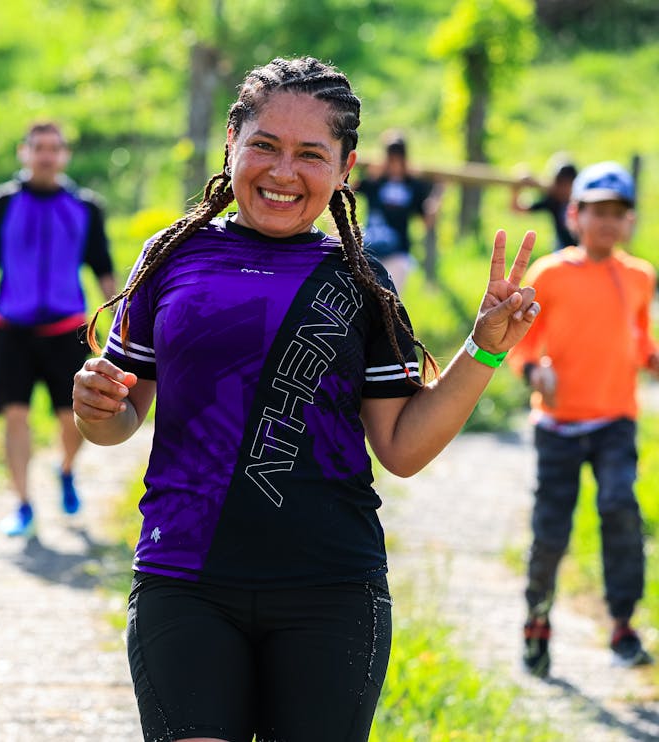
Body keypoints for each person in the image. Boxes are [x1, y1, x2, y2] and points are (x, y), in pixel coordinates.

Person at [72, 57, 539, 742]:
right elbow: (121, 416)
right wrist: (97, 409)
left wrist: (485, 346)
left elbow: (403, 448)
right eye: (264, 145)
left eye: (311, 154)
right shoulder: (171, 256)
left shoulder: (361, 279)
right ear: (231, 141)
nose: (283, 172)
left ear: (346, 168)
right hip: (186, 579)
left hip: (331, 589)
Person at [508, 160, 657, 678]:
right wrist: (532, 371)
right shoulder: (549, 273)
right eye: (598, 212)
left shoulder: (640, 276)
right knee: (552, 530)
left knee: (620, 508)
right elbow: (518, 340)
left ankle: (622, 624)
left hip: (615, 418)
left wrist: (652, 357)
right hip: (558, 425)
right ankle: (537, 620)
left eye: (619, 213)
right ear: (575, 214)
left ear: (630, 221)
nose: (608, 223)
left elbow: (639, 337)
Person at [0, 121, 116, 537]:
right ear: (23, 152)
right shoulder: (2, 203)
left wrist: (121, 331)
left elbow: (104, 272)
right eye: (38, 147)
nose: (46, 155)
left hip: (66, 331)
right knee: (15, 416)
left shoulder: (85, 207)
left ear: (65, 155)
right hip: (10, 330)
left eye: (55, 148)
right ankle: (24, 503)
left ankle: (65, 469)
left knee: (75, 419)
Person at [353, 131, 442, 293]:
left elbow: (427, 220)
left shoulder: (413, 186)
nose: (394, 163)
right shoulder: (375, 181)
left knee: (390, 300)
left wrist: (437, 195)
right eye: (390, 157)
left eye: (398, 158)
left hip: (398, 252)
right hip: (370, 249)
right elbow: (349, 190)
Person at [510, 155, 578, 251]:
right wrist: (515, 190)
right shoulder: (553, 201)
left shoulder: (583, 202)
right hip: (562, 253)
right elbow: (518, 209)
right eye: (560, 183)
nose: (564, 189)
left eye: (568, 183)